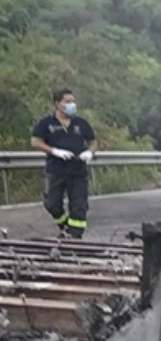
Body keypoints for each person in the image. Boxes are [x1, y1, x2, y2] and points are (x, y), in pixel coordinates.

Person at [31, 88, 97, 239]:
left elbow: (93, 142)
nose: (71, 105)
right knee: (52, 203)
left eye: (73, 102)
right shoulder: (46, 123)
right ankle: (66, 226)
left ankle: (75, 237)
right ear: (57, 104)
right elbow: (35, 142)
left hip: (78, 170)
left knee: (79, 206)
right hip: (56, 169)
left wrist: (89, 152)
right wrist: (54, 151)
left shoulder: (81, 123)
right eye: (67, 102)